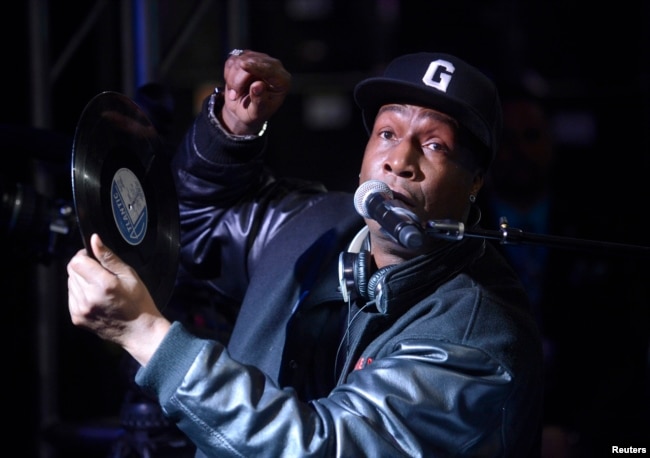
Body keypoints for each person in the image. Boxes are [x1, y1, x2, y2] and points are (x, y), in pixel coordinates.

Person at [67, 49, 544, 457]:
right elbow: (198, 226)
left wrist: (148, 337)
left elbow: (323, 447)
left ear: (476, 181)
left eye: (435, 145)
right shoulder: (313, 225)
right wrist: (232, 130)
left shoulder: (476, 335)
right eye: (387, 133)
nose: (400, 161)